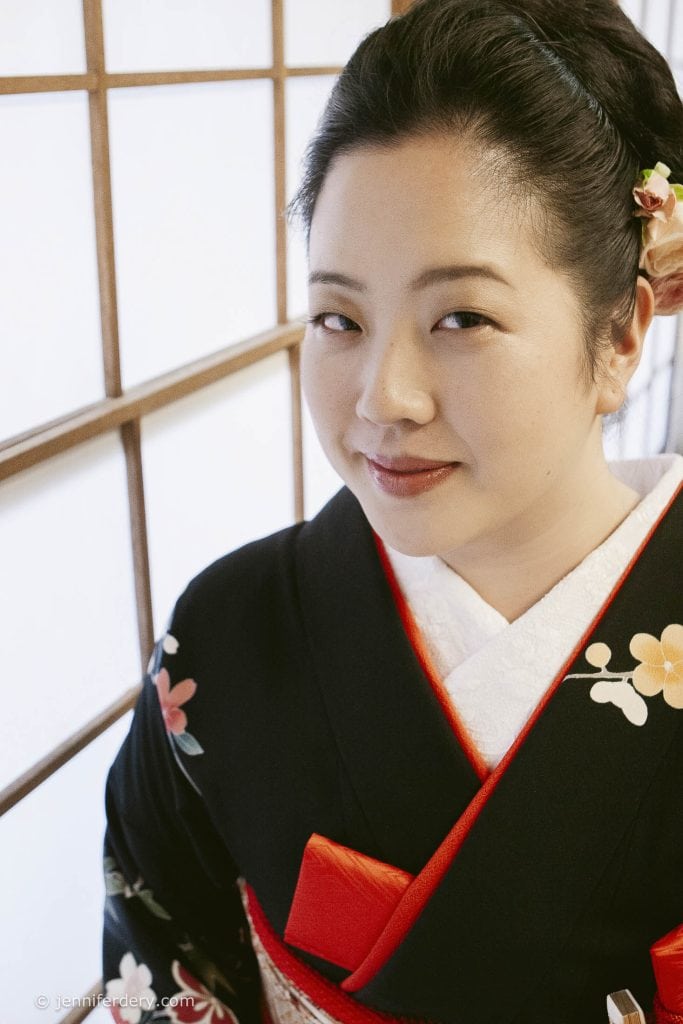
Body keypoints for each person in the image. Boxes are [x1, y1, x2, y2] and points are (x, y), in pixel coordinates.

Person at [101, 1, 683, 1022]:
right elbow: (162, 967)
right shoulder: (227, 639)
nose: (383, 398)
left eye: (461, 316)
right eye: (339, 318)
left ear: (620, 334)